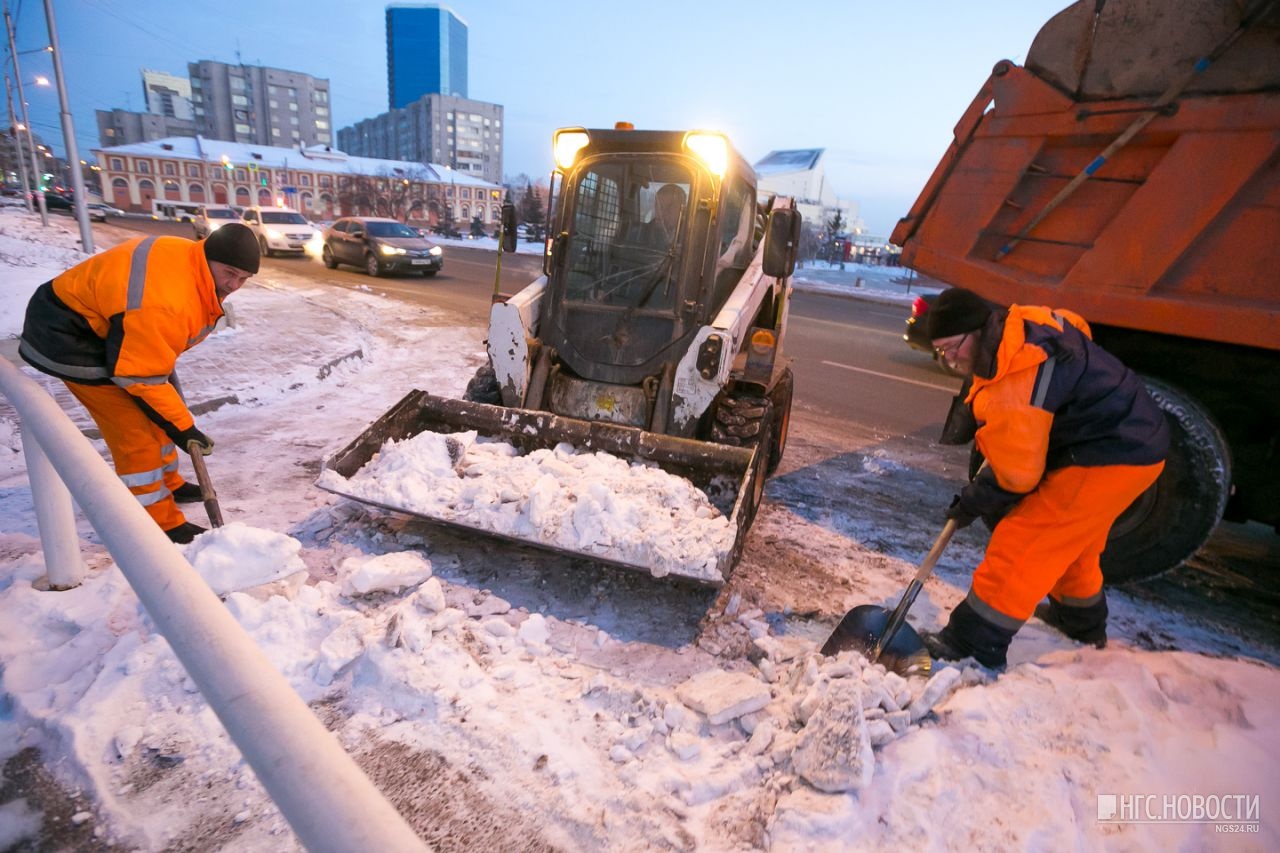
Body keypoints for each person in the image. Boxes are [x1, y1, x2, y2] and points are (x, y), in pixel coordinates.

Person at [921, 287, 1169, 668]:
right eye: (942, 353)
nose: (950, 359)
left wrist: (975, 500)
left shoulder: (1019, 375)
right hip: (1132, 438)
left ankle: (974, 641)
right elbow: (1076, 326)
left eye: (953, 347)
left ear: (977, 331)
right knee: (1074, 544)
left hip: (1112, 450)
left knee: (1027, 540)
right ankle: (1080, 622)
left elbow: (1017, 475)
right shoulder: (1019, 328)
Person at [19, 223, 260, 544]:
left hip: (110, 325)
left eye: (243, 278)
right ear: (208, 255)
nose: (234, 285)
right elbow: (138, 375)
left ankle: (169, 482)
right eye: (229, 273)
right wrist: (185, 429)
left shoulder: (190, 260)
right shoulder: (168, 301)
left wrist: (174, 420)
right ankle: (158, 521)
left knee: (159, 414)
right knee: (135, 431)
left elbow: (147, 356)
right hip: (68, 333)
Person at [631, 183, 686, 249]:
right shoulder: (638, 235)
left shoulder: (689, 239)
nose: (662, 212)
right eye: (659, 207)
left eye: (669, 207)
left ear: (682, 211)